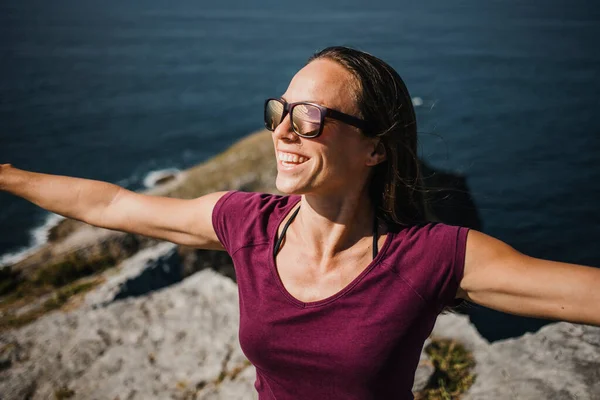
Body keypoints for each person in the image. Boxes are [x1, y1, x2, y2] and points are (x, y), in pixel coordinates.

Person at [1, 46, 598, 399]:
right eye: (280, 111)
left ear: (374, 148)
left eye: (310, 116)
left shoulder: (431, 258)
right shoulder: (247, 224)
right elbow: (110, 206)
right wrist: (6, 175)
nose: (282, 131)